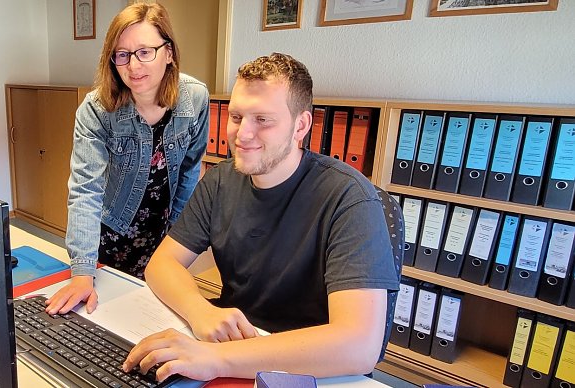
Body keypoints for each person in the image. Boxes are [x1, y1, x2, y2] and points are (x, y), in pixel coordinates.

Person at [122, 53, 399, 382]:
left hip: (309, 368)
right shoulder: (221, 180)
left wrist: (218, 358)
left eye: (262, 120)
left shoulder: (350, 199)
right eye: (237, 116)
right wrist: (200, 311)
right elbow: (162, 264)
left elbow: (359, 344)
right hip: (235, 347)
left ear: (301, 126)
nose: (242, 134)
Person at [45, 3, 209, 315]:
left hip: (163, 235)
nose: (133, 66)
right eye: (122, 54)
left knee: (155, 317)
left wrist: (177, 239)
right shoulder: (96, 110)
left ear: (169, 52)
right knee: (109, 317)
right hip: (110, 234)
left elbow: (190, 171)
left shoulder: (196, 98)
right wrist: (82, 271)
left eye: (145, 51)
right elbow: (85, 191)